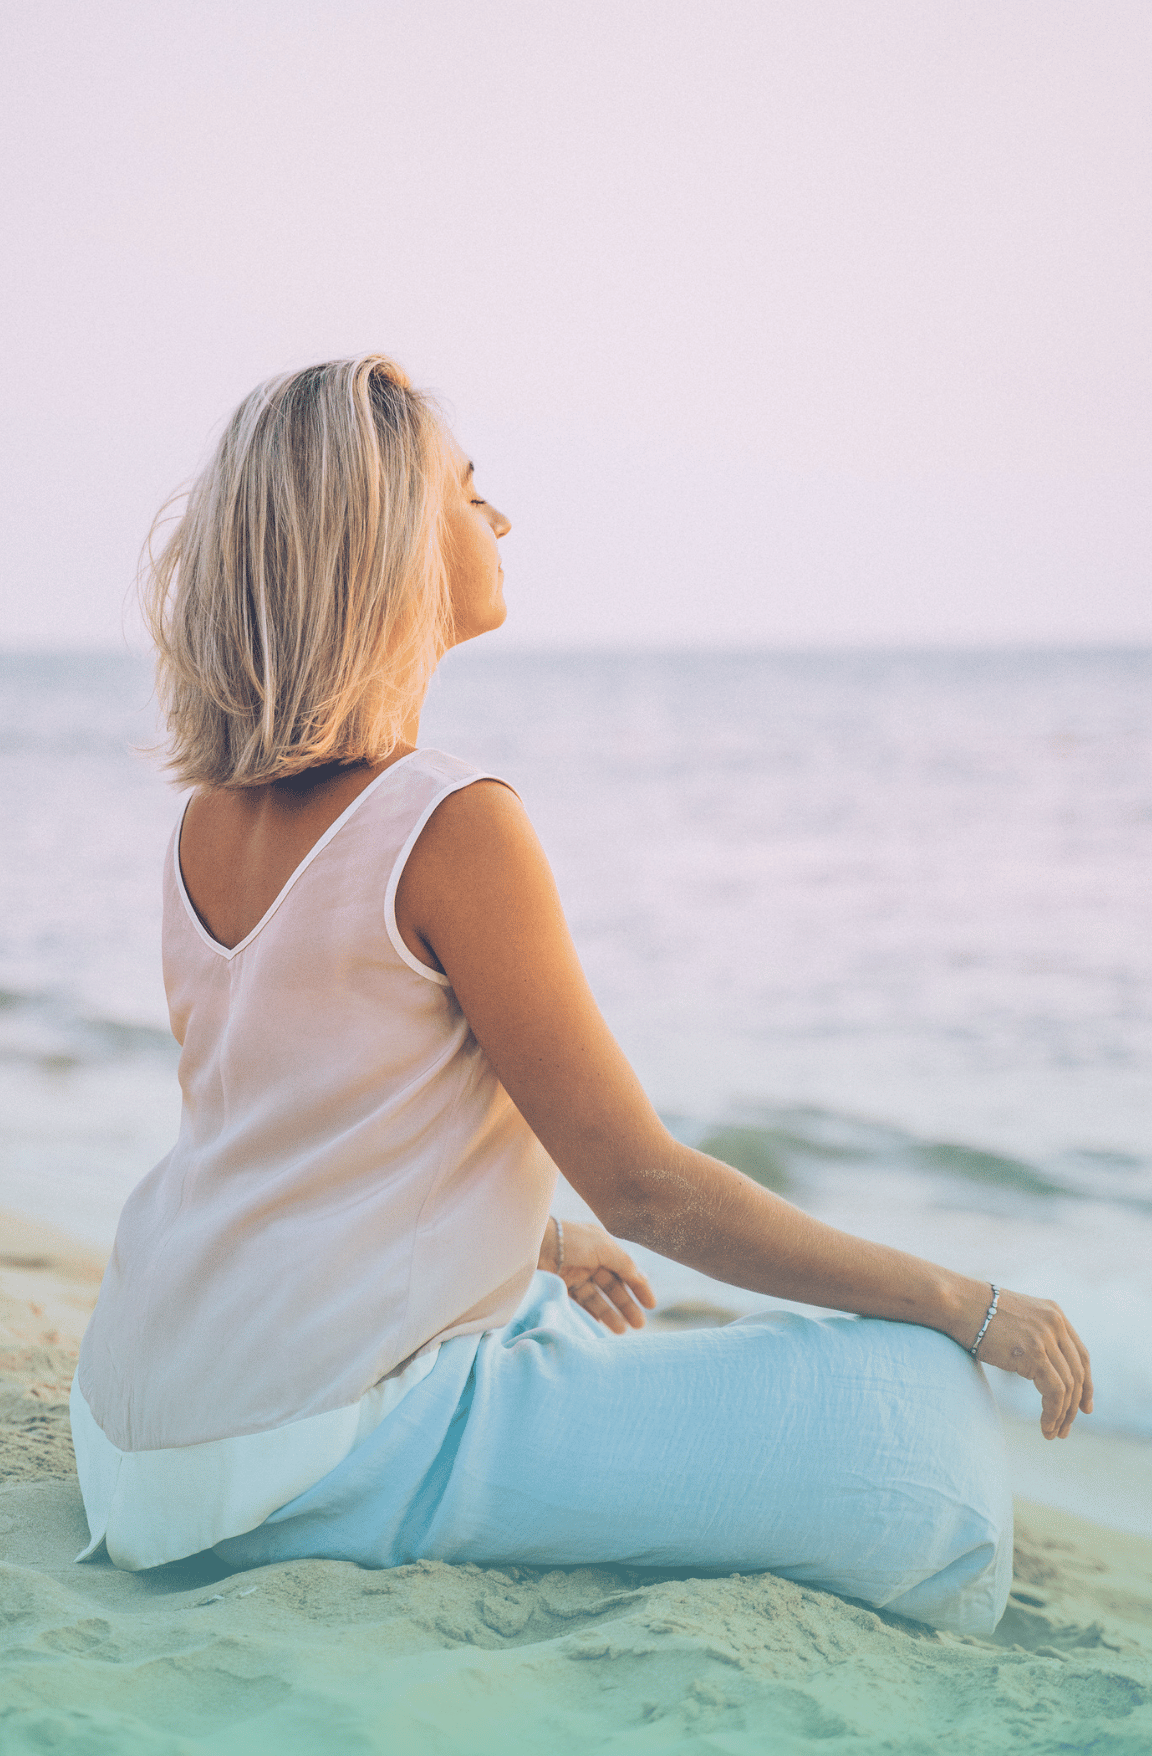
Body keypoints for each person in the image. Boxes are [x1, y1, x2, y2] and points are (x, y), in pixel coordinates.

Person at [70, 355, 1091, 1635]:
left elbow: (286, 1127)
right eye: (468, 489)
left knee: (552, 1303)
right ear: (384, 538)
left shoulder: (203, 820)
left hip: (133, 1429)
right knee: (928, 1411)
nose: (500, 518)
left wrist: (536, 1234)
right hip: (306, 1451)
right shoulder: (452, 823)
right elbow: (647, 1184)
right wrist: (969, 1302)